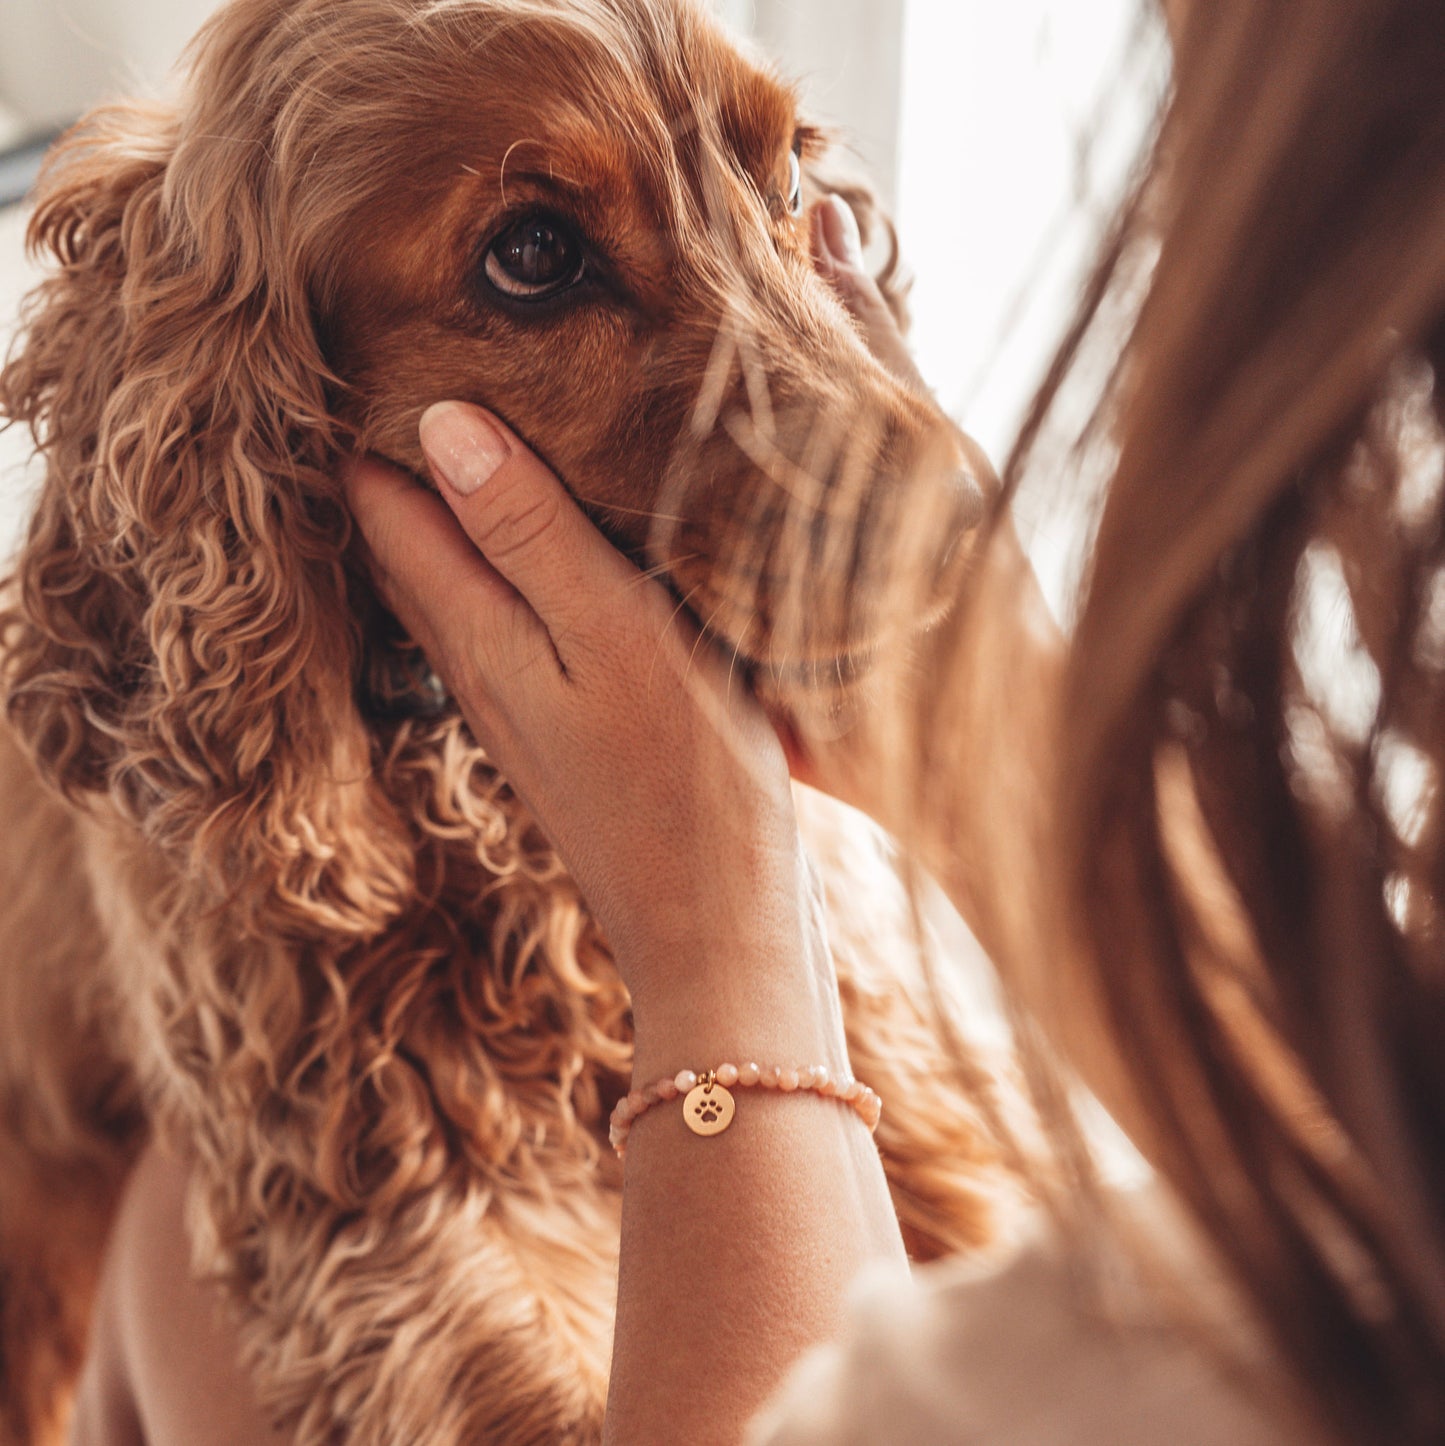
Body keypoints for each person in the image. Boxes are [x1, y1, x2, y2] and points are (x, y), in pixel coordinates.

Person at [78, 0, 1445, 1441]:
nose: (915, 487)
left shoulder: (1058, 1373)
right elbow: (1360, 1193)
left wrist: (720, 945)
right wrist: (976, 745)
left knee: (172, 1272)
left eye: (779, 186)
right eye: (533, 255)